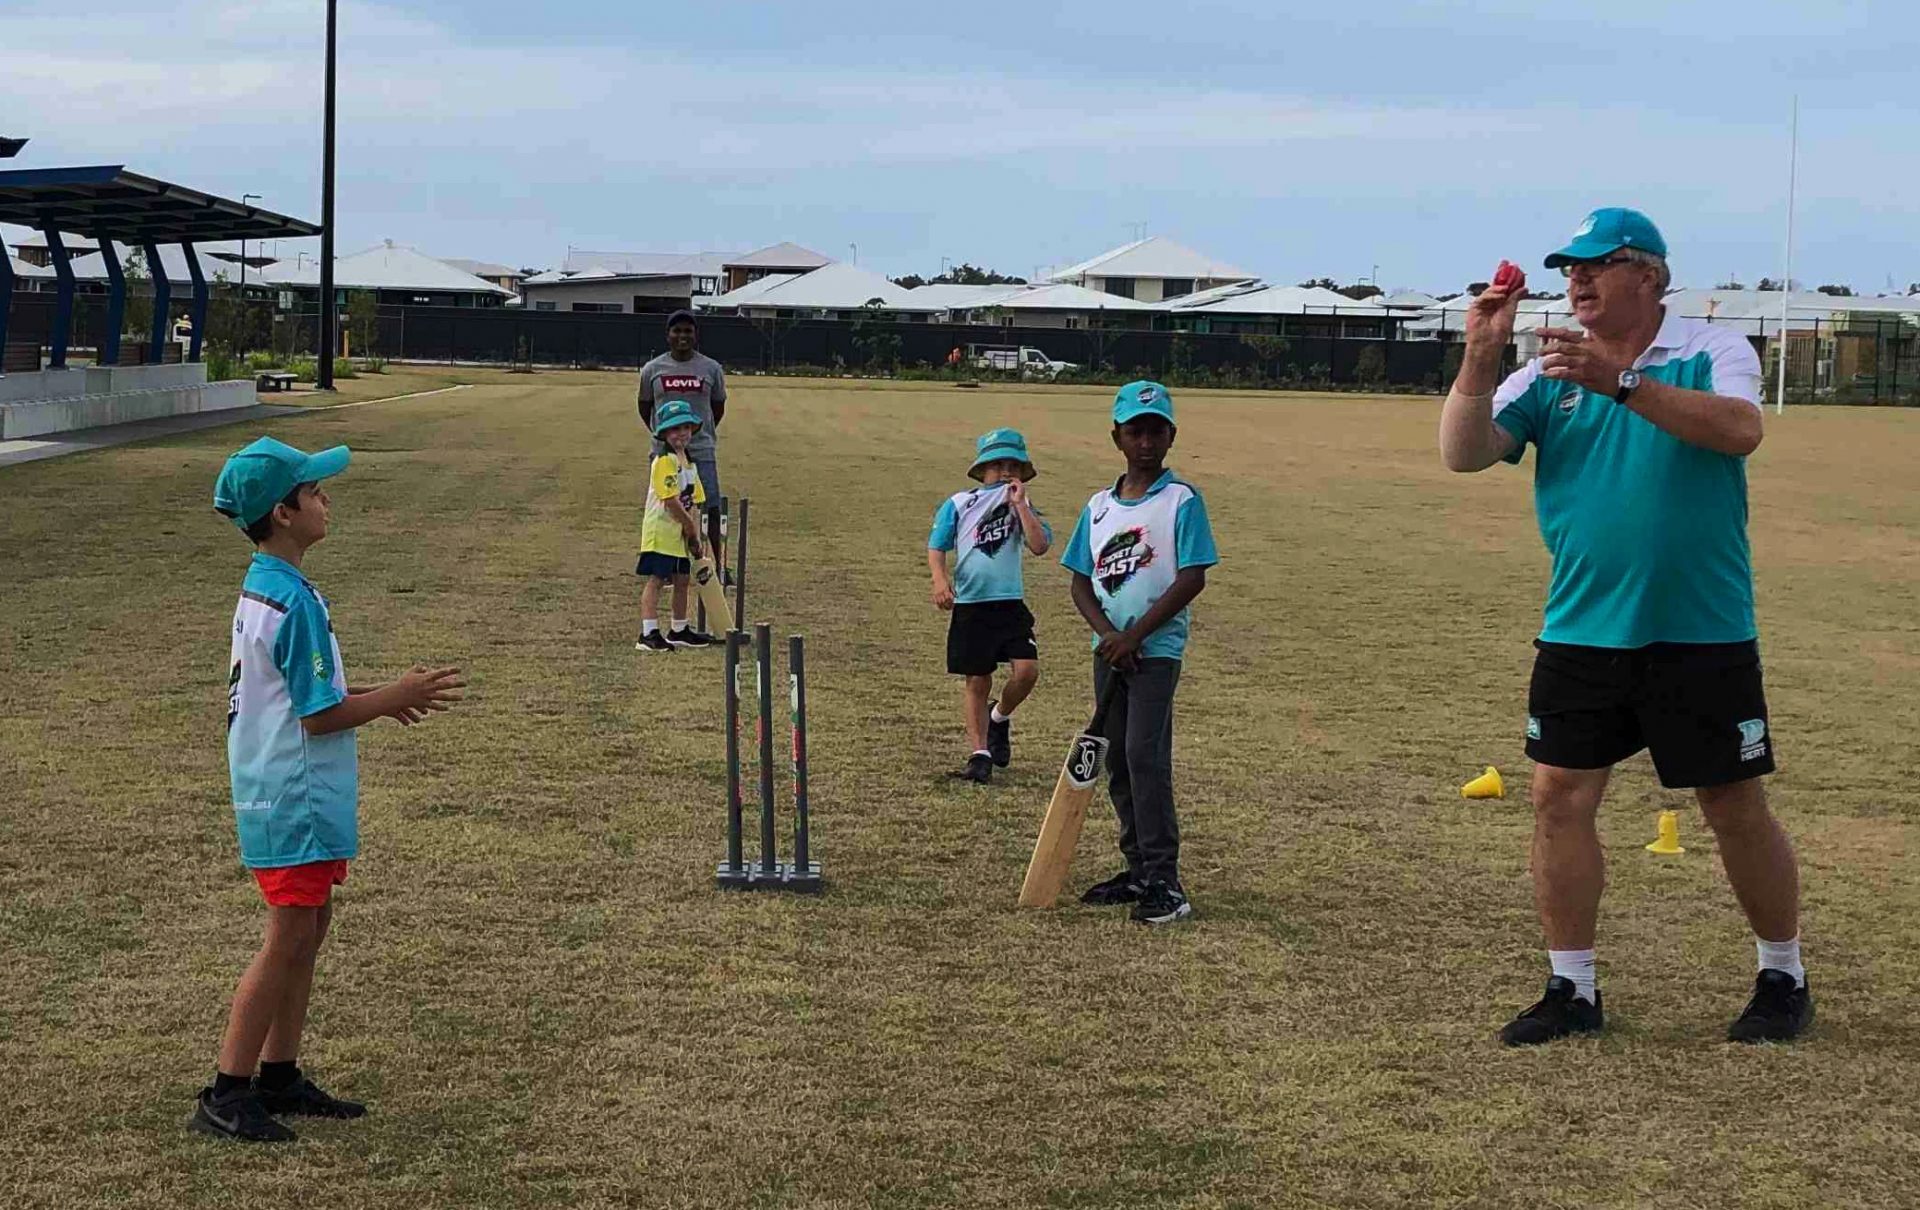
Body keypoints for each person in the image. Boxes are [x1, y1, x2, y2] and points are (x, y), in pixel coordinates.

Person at [1439, 207, 1811, 1046]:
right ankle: (1573, 989)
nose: (1575, 280)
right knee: (1558, 799)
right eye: (1568, 267)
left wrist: (1622, 383)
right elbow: (1462, 453)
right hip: (1582, 630)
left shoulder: (1711, 351)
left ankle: (1782, 973)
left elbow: (1741, 432)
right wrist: (1479, 355)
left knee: (1731, 801)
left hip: (1701, 628)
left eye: (1594, 264)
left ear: (1647, 274)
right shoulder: (1547, 372)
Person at [199, 437, 464, 1142]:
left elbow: (302, 696)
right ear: (282, 513)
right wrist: (392, 695)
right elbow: (316, 717)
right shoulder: (293, 603)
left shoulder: (273, 584)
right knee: (288, 932)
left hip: (281, 784)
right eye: (314, 491)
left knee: (310, 925)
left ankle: (279, 1073)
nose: (326, 499)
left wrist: (379, 696)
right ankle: (228, 1089)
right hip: (292, 792)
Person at [1061, 382, 1218, 925]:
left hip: (1156, 652)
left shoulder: (1182, 501)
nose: (1146, 441)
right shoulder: (1099, 507)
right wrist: (1109, 635)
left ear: (1171, 435)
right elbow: (1080, 580)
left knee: (1146, 757)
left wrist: (1137, 636)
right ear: (1117, 437)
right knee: (1120, 762)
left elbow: (1191, 576)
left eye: (1156, 430)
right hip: (1109, 652)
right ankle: (1136, 870)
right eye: (1136, 431)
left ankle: (1165, 881)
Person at [928, 428, 1052, 784]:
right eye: (997, 464)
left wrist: (1021, 506)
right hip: (972, 605)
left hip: (1009, 604)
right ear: (982, 470)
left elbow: (1040, 545)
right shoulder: (959, 503)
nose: (1005, 471)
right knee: (977, 679)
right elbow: (937, 546)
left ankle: (1000, 716)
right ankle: (979, 753)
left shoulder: (1021, 506)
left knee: (1026, 671)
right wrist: (940, 580)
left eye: (1013, 465)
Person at [638, 309, 728, 565]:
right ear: (668, 335)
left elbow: (717, 407)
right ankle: (668, 565)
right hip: (664, 453)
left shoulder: (711, 368)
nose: (682, 336)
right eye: (677, 330)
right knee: (669, 508)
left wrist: (696, 435)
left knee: (710, 507)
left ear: (696, 335)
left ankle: (715, 565)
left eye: (688, 330)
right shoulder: (652, 369)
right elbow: (645, 406)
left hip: (701, 449)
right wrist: (667, 437)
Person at [635, 399, 714, 653]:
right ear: (665, 433)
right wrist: (690, 528)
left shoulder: (689, 463)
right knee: (657, 580)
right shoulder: (664, 461)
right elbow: (670, 500)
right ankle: (648, 633)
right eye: (675, 429)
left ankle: (679, 629)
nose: (682, 434)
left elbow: (696, 501)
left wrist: (696, 536)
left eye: (686, 428)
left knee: (682, 579)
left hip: (680, 535)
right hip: (661, 532)